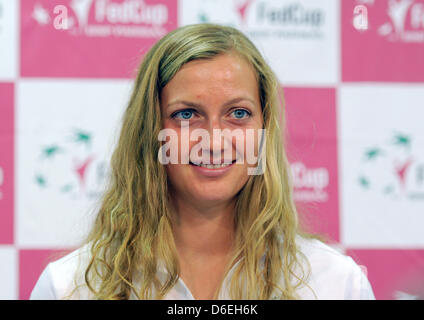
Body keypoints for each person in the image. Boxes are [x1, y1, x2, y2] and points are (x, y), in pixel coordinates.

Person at [30, 23, 375, 300]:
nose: (214, 138)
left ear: (263, 129)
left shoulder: (337, 284)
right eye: (186, 114)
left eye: (238, 113)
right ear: (150, 130)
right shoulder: (69, 288)